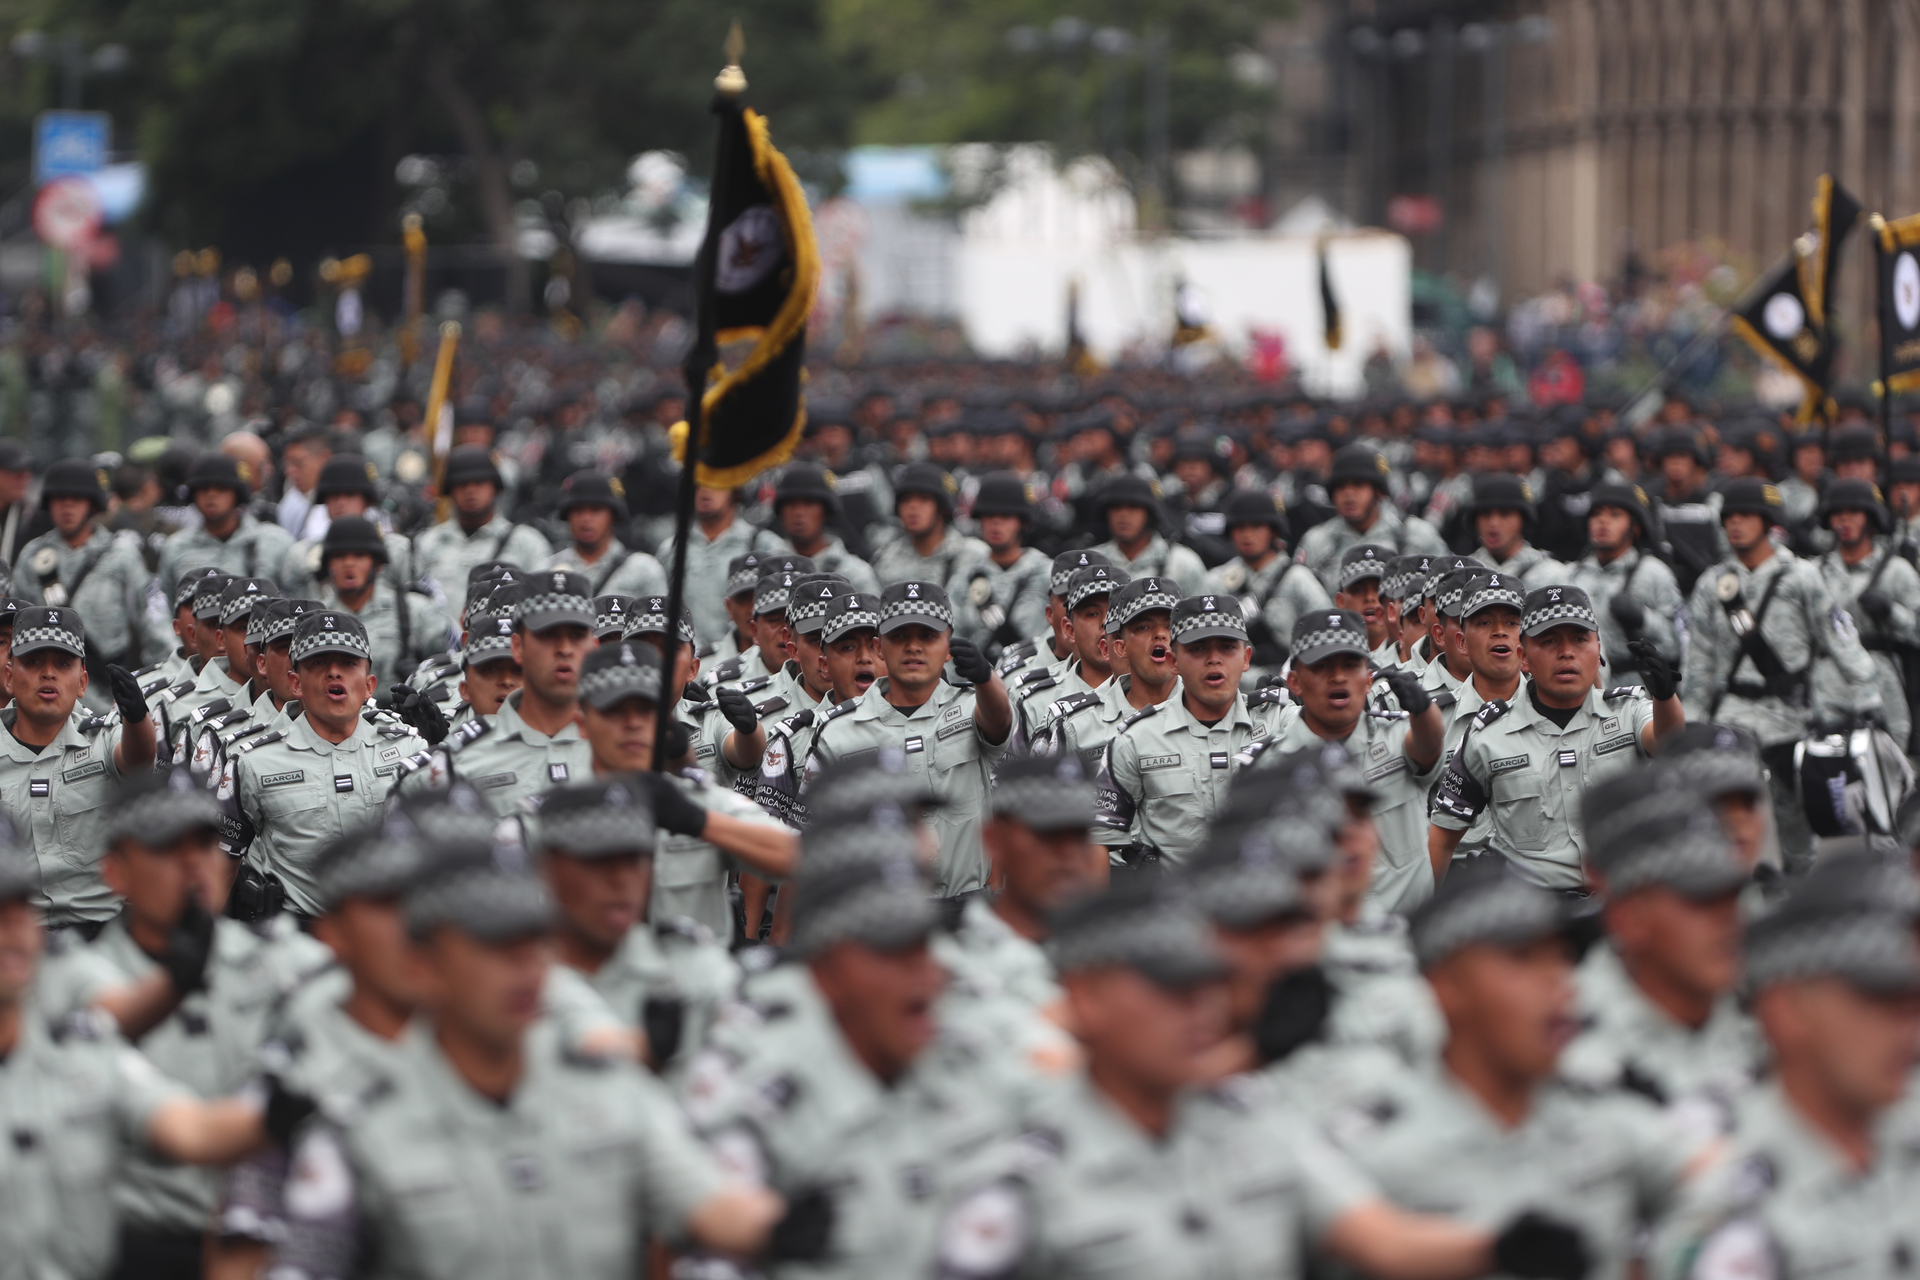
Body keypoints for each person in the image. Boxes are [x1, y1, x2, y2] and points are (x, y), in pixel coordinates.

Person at [933, 874, 1593, 1279]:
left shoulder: (1252, 1120)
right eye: (1170, 989)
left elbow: (1380, 1239)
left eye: (1206, 985)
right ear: (1088, 998)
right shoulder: (1022, 1170)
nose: (1202, 1010)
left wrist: (1498, 1248)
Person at [266, 837, 802, 1280]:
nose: (525, 964)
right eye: (494, 942)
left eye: (535, 938)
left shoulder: (610, 1091)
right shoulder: (361, 1125)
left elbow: (714, 1208)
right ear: (422, 966)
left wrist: (804, 1222)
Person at [1320, 856, 1711, 1280]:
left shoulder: (1598, 1111)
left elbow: (1727, 1179)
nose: (1558, 982)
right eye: (1523, 958)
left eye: (1561, 956)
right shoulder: (1377, 1151)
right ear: (1446, 986)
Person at [38, 768, 332, 1280]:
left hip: (270, 1244)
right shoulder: (79, 979)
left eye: (203, 841)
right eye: (166, 846)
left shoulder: (282, 961)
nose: (193, 861)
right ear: (117, 871)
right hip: (135, 1248)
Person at [0, 827, 281, 1280]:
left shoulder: (78, 1047)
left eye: (20, 907)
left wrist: (282, 1107)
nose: (13, 928)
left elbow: (192, 1129)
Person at [1653, 857, 1920, 1280]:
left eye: (1912, 1006)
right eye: (1878, 1002)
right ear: (1787, 1010)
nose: (1910, 1035)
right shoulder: (1736, 1217)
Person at [1682, 478, 1882, 870]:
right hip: (1733, 714)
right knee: (1727, 810)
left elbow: (1837, 636)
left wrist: (1867, 696)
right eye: (1730, 518)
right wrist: (1693, 718)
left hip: (1788, 715)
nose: (1736, 524)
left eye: (1747, 516)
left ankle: (1799, 886)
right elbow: (1700, 658)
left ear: (1768, 521)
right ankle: (1736, 888)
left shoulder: (1801, 577)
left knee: (1795, 814)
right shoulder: (1712, 584)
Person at [1431, 586, 1685, 890]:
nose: (1567, 652)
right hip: (1530, 914)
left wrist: (1665, 696)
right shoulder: (1488, 735)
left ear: (1598, 648)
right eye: (1549, 641)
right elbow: (1442, 839)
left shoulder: (1627, 712)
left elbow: (1668, 741)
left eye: (1579, 639)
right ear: (1523, 657)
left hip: (1619, 902)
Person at [1560, 777, 1764, 1113]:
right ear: (1630, 919)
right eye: (1701, 902)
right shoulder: (1568, 1045)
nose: (1728, 921)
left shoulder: (1770, 1012)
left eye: (1731, 897)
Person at [569, 638, 796, 940]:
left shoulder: (696, 802)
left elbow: (793, 857)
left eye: (647, 708)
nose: (633, 723)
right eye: (615, 710)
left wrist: (698, 821)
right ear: (582, 723)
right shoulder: (558, 810)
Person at [805, 580, 1011, 896]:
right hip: (880, 916)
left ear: (948, 647)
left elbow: (1000, 722)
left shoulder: (973, 707)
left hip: (969, 908)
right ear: (878, 648)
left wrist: (985, 677)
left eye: (928, 636)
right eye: (899, 636)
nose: (913, 647)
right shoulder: (837, 732)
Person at [534, 778, 739, 1077]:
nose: (622, 880)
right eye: (599, 860)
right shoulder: (512, 980)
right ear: (547, 866)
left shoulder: (690, 965)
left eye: (634, 859)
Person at [228, 610, 426, 918]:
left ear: (370, 685)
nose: (334, 673)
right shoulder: (254, 762)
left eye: (348, 663)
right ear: (296, 682)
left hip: (389, 940)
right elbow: (220, 863)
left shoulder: (408, 749)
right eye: (318, 663)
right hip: (298, 943)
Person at [1243, 609, 1444, 912]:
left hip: (1407, 930)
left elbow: (1429, 747)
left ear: (1368, 680)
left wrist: (1423, 709)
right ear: (1295, 682)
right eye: (1322, 666)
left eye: (1350, 665)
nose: (1338, 677)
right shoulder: (1268, 765)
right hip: (1321, 941)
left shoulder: (1398, 734)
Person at [0, 606, 154, 931]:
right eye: (33, 662)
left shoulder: (101, 739)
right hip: (19, 937)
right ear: (10, 677)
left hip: (101, 930)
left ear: (82, 681)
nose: (48, 673)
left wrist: (138, 719)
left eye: (63, 663)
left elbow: (137, 760)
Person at [1092, 595, 1268, 870]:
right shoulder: (1136, 739)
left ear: (1246, 657)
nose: (1214, 660)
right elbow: (1098, 842)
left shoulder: (1280, 723)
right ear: (1174, 661)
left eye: (1226, 647)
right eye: (1197, 649)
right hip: (1173, 906)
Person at [405, 569, 598, 815]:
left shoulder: (626, 744)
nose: (564, 649)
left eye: (576, 635)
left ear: (594, 648)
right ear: (517, 647)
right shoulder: (458, 760)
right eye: (547, 634)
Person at [14, 458, 168, 679]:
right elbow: (15, 625)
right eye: (59, 499)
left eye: (76, 499)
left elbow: (152, 618)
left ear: (93, 504)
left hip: (108, 689)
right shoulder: (32, 556)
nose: (67, 506)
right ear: (48, 503)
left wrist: (166, 673)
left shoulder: (121, 553)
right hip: (45, 683)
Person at [1033, 574, 1182, 777]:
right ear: (1119, 648)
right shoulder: (1071, 725)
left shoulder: (1214, 711)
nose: (1160, 634)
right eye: (1144, 627)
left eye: (1170, 625)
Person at [1815, 478, 1920, 751]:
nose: (1845, 521)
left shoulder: (1897, 570)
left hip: (1881, 677)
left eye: (1854, 513)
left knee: (1890, 763)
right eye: (1838, 513)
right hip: (1828, 679)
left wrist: (1891, 612)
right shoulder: (1815, 572)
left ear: (1870, 519)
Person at [1565, 481, 1684, 688]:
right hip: (1580, 689)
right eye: (1596, 514)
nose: (1603, 521)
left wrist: (1642, 617)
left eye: (1615, 515)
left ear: (1636, 527)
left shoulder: (1654, 573)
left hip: (1634, 692)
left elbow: (1678, 645)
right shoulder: (1570, 575)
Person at [1201, 488, 1331, 670]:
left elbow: (1328, 632)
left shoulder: (1298, 578)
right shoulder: (1215, 580)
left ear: (1273, 530)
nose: (1247, 535)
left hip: (1288, 684)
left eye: (1256, 526)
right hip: (1232, 684)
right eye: (1240, 527)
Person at [410, 444, 552, 606]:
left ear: (496, 488)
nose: (470, 490)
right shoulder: (427, 544)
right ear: (450, 491)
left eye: (479, 483)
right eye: (462, 484)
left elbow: (542, 604)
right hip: (439, 630)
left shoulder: (528, 543)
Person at [315, 515, 448, 687]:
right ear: (328, 565)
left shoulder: (414, 610)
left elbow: (449, 666)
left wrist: (421, 679)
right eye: (339, 556)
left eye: (359, 555)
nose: (349, 563)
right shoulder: (316, 618)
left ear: (377, 564)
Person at [656, 482, 790, 651]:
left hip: (749, 663)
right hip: (688, 664)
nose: (705, 491)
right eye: (699, 485)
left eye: (716, 482)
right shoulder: (671, 550)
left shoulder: (764, 545)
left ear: (736, 492)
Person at [1297, 444, 1448, 594]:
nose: (1349, 494)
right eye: (1341, 487)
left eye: (1359, 485)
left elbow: (1449, 584)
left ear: (1379, 492)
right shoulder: (1317, 540)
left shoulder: (1415, 534)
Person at [1011, 564, 1123, 750]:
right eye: (1092, 614)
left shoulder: (1166, 694)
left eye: (1115, 612)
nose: (1105, 622)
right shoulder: (1034, 702)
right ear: (1069, 630)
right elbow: (1013, 776)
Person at [277, 453, 415, 595]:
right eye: (334, 495)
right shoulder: (301, 556)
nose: (341, 502)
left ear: (367, 501)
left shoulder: (396, 550)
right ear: (325, 502)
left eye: (350, 494)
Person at [155, 455, 296, 593]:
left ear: (237, 494)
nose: (211, 495)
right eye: (203, 489)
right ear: (193, 495)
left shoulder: (275, 542)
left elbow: (297, 599)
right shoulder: (176, 548)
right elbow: (165, 602)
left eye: (221, 489)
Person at [949, 470, 1050, 652]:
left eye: (1006, 516)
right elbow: (950, 635)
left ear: (1023, 522)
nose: (996, 523)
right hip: (972, 677)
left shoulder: (1046, 574)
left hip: (1035, 675)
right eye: (988, 516)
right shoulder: (966, 576)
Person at [541, 468, 668, 597]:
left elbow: (661, 616)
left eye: (596, 510)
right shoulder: (545, 572)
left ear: (614, 515)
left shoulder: (644, 570)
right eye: (578, 510)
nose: (586, 518)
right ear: (567, 515)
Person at [997, 548, 1111, 685]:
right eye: (1069, 600)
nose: (1075, 610)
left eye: (1092, 607)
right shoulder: (1016, 674)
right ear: (1050, 614)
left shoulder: (1134, 669)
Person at [871, 462, 988, 588]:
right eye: (906, 499)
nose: (913, 507)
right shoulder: (885, 560)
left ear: (942, 508)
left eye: (924, 499)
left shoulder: (974, 557)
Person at [770, 461, 880, 593]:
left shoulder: (854, 574)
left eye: (809, 504)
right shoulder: (768, 571)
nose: (798, 512)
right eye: (791, 504)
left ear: (825, 511)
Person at [1089, 473, 1207, 593]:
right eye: (1116, 507)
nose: (1123, 515)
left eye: (1134, 507)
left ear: (1150, 514)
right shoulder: (1091, 564)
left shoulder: (1182, 564)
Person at [1465, 472, 1569, 587]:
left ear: (1523, 520)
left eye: (1505, 514)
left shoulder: (1551, 574)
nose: (1493, 523)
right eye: (1485, 514)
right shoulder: (1463, 575)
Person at [1334, 543, 1396, 658]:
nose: (1369, 597)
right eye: (1357, 590)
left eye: (1379, 589)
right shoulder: (1322, 657)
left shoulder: (1417, 654)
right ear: (1340, 601)